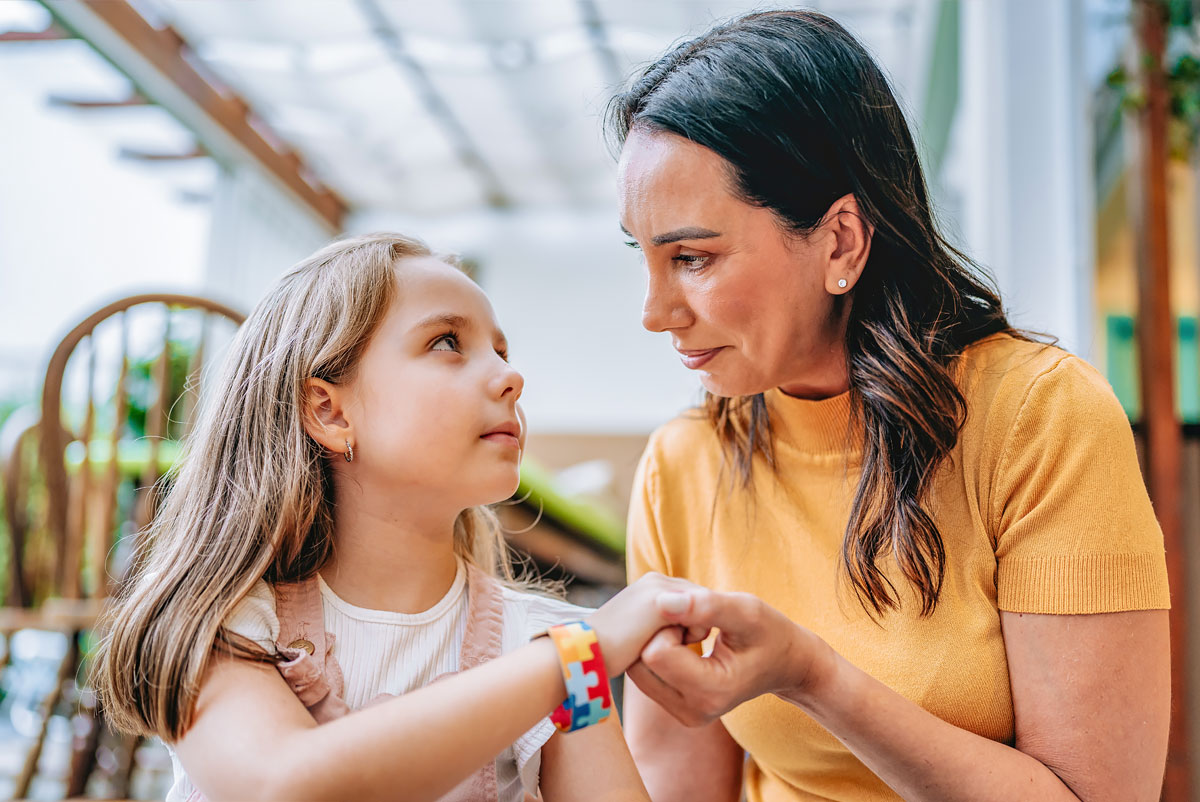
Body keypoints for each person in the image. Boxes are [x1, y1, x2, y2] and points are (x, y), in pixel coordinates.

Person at [610, 10, 1171, 802]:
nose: (655, 311)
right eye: (646, 256)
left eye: (693, 257)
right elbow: (675, 784)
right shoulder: (683, 463)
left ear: (840, 241)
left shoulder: (1040, 417)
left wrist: (812, 676)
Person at [93, 233, 685, 802]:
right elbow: (283, 785)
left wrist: (574, 654)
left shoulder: (543, 637)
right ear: (329, 410)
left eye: (501, 352)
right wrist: (575, 654)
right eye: (447, 343)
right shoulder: (228, 621)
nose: (511, 377)